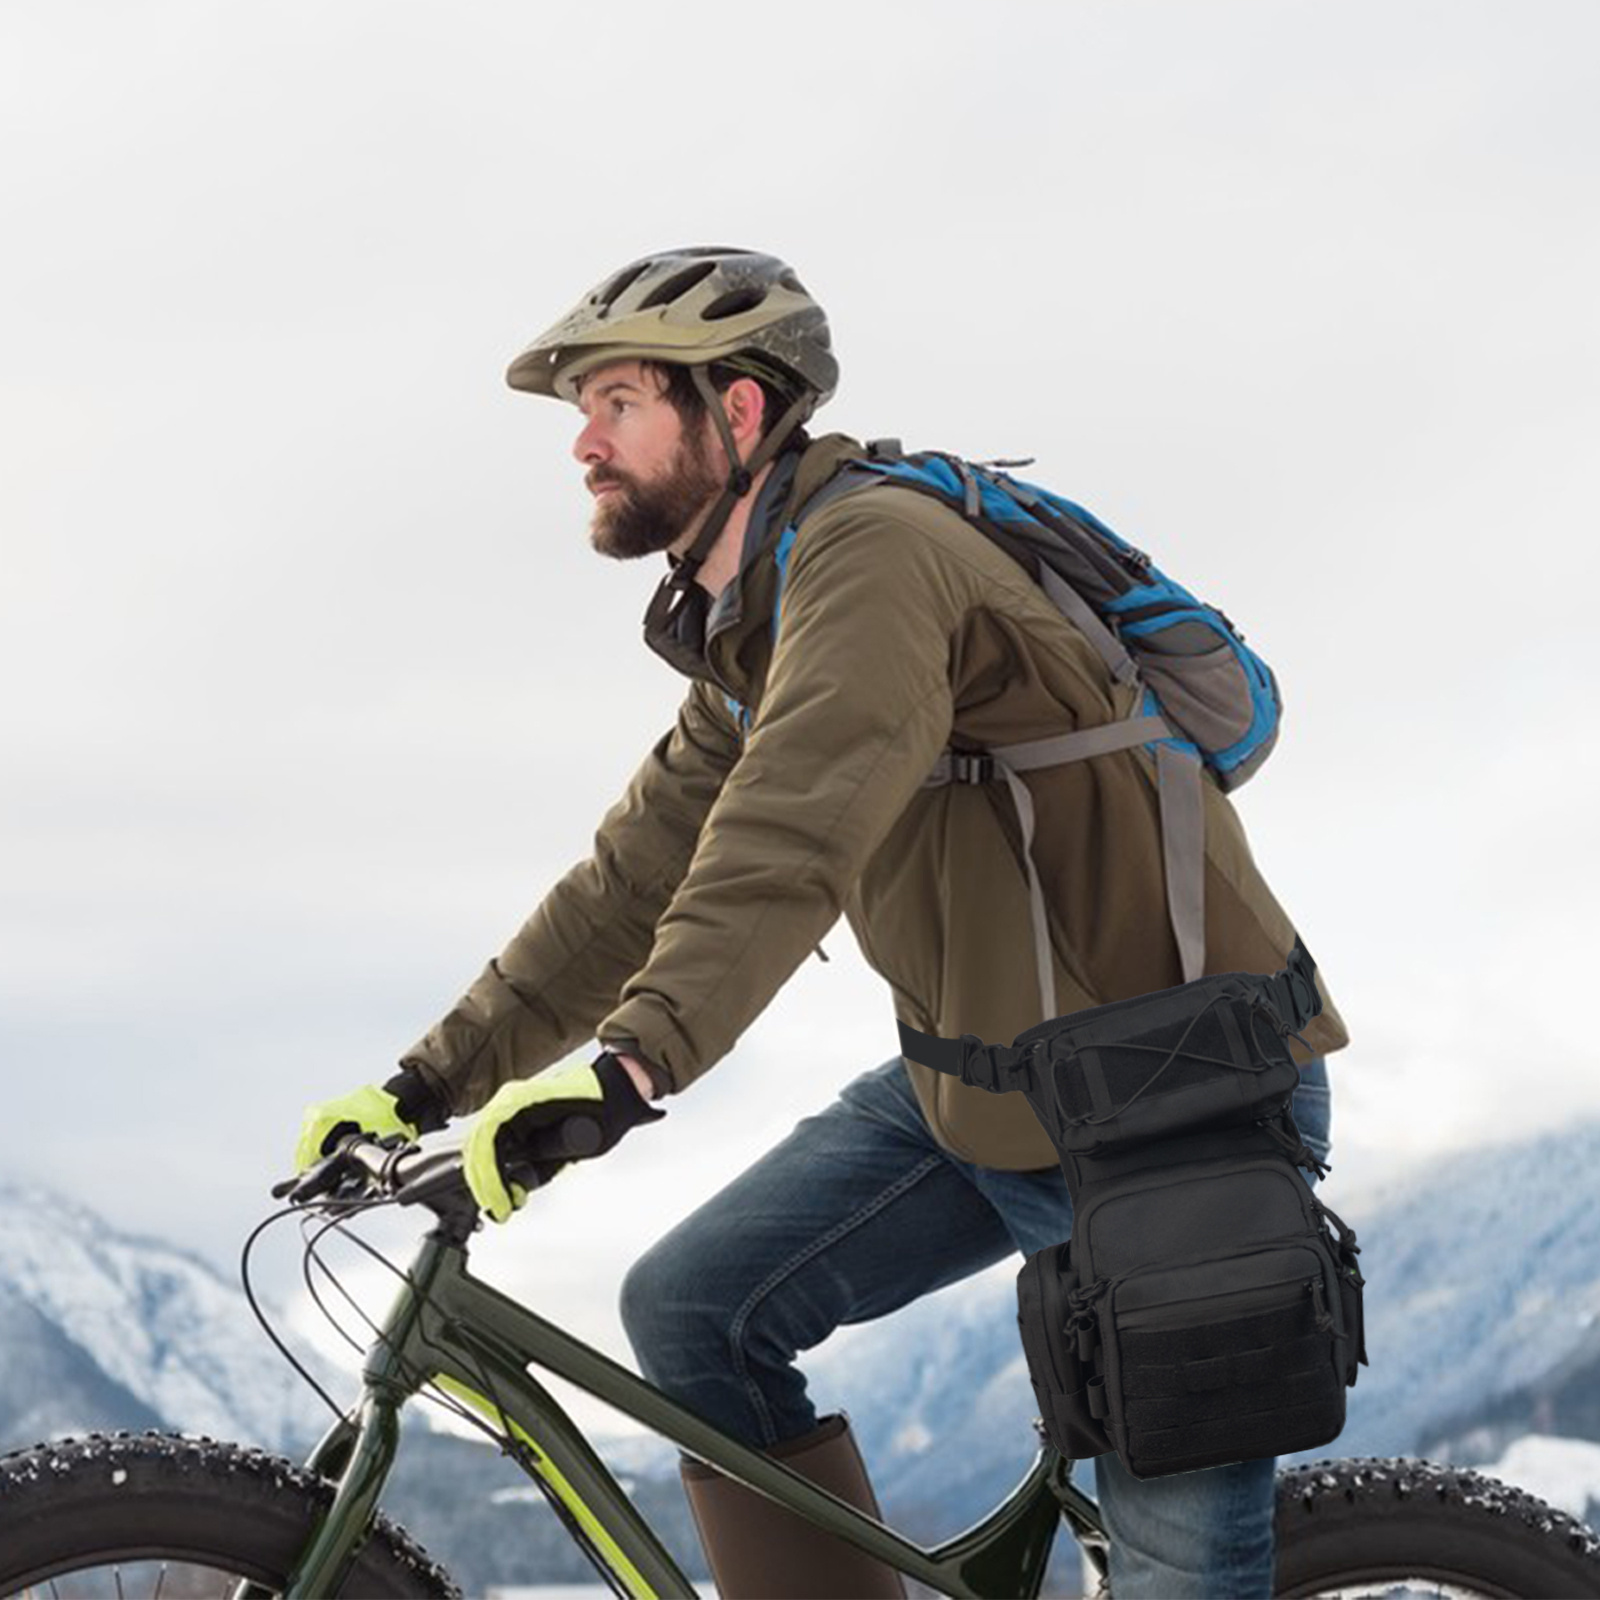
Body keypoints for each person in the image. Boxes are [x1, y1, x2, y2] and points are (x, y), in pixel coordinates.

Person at [294, 246, 1350, 1599]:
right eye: (581, 411)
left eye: (616, 401)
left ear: (738, 411)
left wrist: (633, 1066)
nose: (581, 442)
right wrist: (422, 1082)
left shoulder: (876, 555)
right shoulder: (758, 623)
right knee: (694, 1313)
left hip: (1169, 1098)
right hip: (991, 1085)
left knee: (1176, 1571)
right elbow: (627, 886)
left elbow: (790, 828)